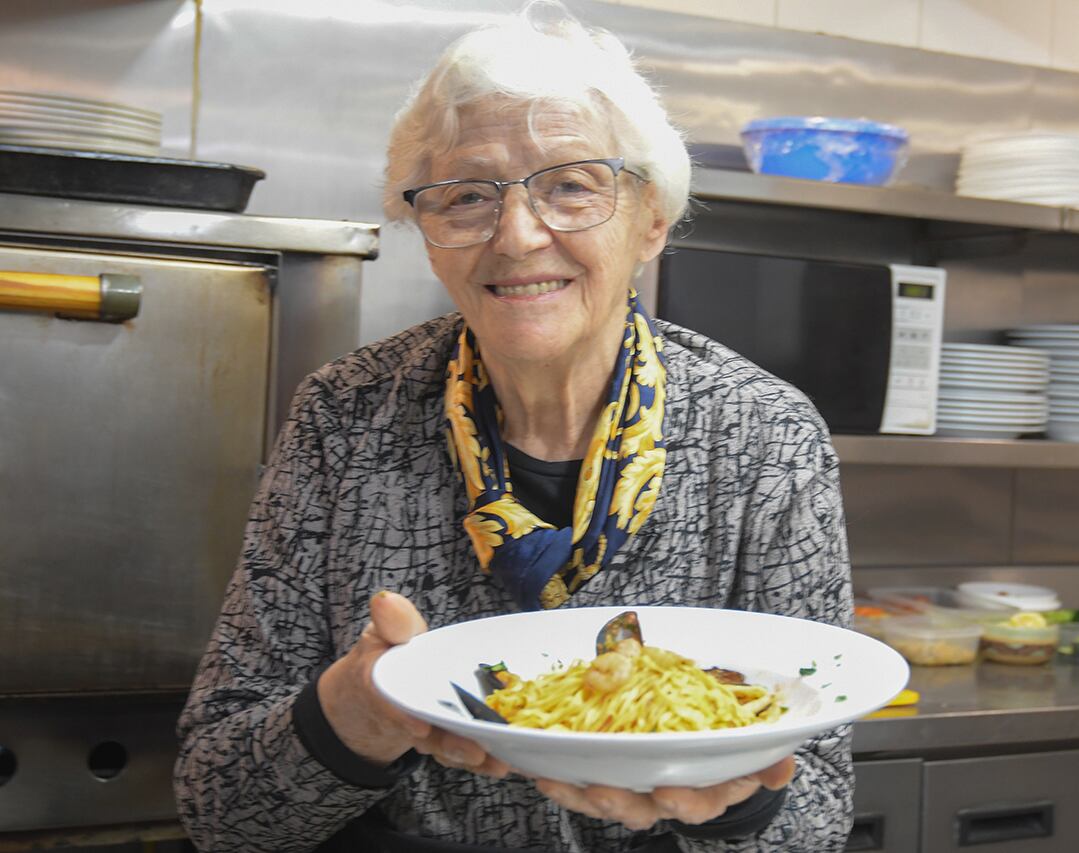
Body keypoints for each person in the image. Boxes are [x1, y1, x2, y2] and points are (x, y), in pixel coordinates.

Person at [173, 3, 854, 851]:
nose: (518, 235)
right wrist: (359, 708)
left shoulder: (765, 437)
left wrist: (739, 802)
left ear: (651, 221)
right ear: (427, 232)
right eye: (466, 196)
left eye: (571, 185)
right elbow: (219, 809)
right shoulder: (344, 417)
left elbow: (818, 812)